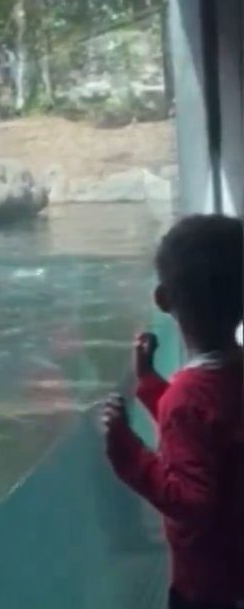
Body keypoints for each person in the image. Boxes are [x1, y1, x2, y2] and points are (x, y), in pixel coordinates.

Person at [101, 214, 244, 609]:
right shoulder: (231, 374)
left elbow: (192, 502)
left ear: (162, 299)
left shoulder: (187, 396)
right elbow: (208, 427)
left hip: (204, 585)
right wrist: (149, 382)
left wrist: (127, 453)